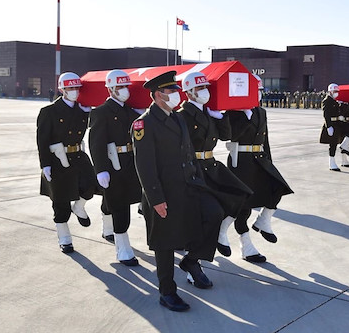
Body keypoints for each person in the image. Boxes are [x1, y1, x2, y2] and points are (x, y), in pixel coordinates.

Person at [132, 70, 223, 312]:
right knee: (165, 243)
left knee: (214, 213)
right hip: (164, 193)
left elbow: (188, 154)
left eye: (175, 90)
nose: (176, 94)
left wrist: (199, 181)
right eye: (171, 91)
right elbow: (145, 166)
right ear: (157, 95)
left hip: (189, 187)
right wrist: (156, 200)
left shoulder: (177, 117)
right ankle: (167, 292)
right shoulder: (144, 123)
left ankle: (191, 260)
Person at [177, 72, 267, 264]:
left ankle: (220, 234)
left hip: (210, 166)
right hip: (193, 169)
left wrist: (219, 117)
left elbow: (226, 135)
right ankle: (194, 261)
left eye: (206, 88)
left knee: (240, 194)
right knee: (201, 215)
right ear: (189, 93)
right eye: (200, 88)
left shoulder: (209, 112)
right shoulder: (182, 115)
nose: (205, 92)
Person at [224, 75, 293, 255]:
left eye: (260, 91)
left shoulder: (261, 111)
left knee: (278, 187)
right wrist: (245, 115)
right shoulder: (235, 111)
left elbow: (265, 139)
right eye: (256, 91)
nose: (259, 94)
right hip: (241, 162)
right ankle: (246, 246)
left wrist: (269, 162)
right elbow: (232, 135)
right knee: (243, 206)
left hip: (259, 159)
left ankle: (263, 221)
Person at [37, 72, 96, 253]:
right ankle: (65, 238)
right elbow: (42, 140)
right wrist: (45, 164)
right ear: (61, 89)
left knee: (91, 186)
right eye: (70, 88)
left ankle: (78, 207)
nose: (74, 92)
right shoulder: (49, 112)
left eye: (77, 88)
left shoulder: (83, 110)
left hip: (78, 155)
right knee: (60, 202)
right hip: (57, 160)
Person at [88, 69, 141, 266]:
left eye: (126, 86)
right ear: (110, 89)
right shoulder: (101, 112)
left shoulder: (131, 112)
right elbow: (96, 143)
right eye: (120, 87)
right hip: (113, 164)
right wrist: (100, 169)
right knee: (120, 206)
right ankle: (123, 248)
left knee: (121, 200)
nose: (124, 90)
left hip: (130, 163)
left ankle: (107, 221)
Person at [319, 83, 349, 171]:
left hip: (338, 123)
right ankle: (331, 163)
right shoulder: (327, 100)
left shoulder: (335, 100)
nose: (337, 93)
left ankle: (344, 145)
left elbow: (338, 112)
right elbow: (326, 115)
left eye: (337, 91)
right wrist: (329, 126)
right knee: (333, 144)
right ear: (330, 91)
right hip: (331, 125)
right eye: (335, 91)